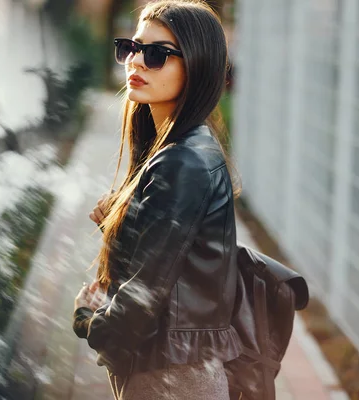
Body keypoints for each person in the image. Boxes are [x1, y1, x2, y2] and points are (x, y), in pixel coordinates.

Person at [73, 1, 242, 399]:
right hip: (174, 372)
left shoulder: (183, 161)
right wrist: (127, 218)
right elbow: (182, 259)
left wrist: (87, 320)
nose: (136, 62)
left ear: (196, 65)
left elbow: (142, 300)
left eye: (156, 54)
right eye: (132, 48)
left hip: (172, 381)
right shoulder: (181, 148)